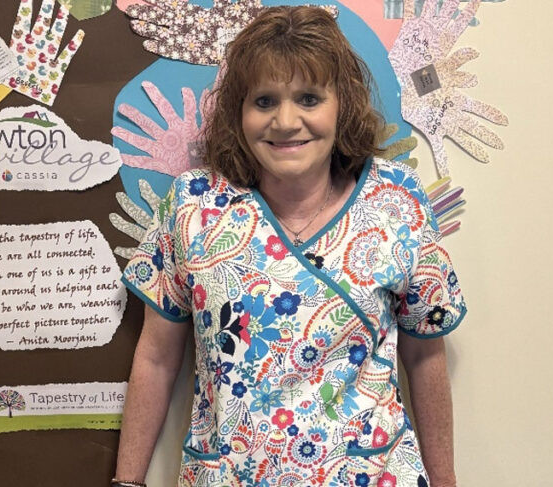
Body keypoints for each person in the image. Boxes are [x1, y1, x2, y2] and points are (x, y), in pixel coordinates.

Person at [114, 6, 466, 487]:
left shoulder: (397, 201)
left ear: (341, 104)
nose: (285, 121)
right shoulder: (193, 208)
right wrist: (126, 482)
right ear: (239, 112)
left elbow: (426, 355)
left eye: (308, 97)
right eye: (264, 101)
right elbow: (155, 359)